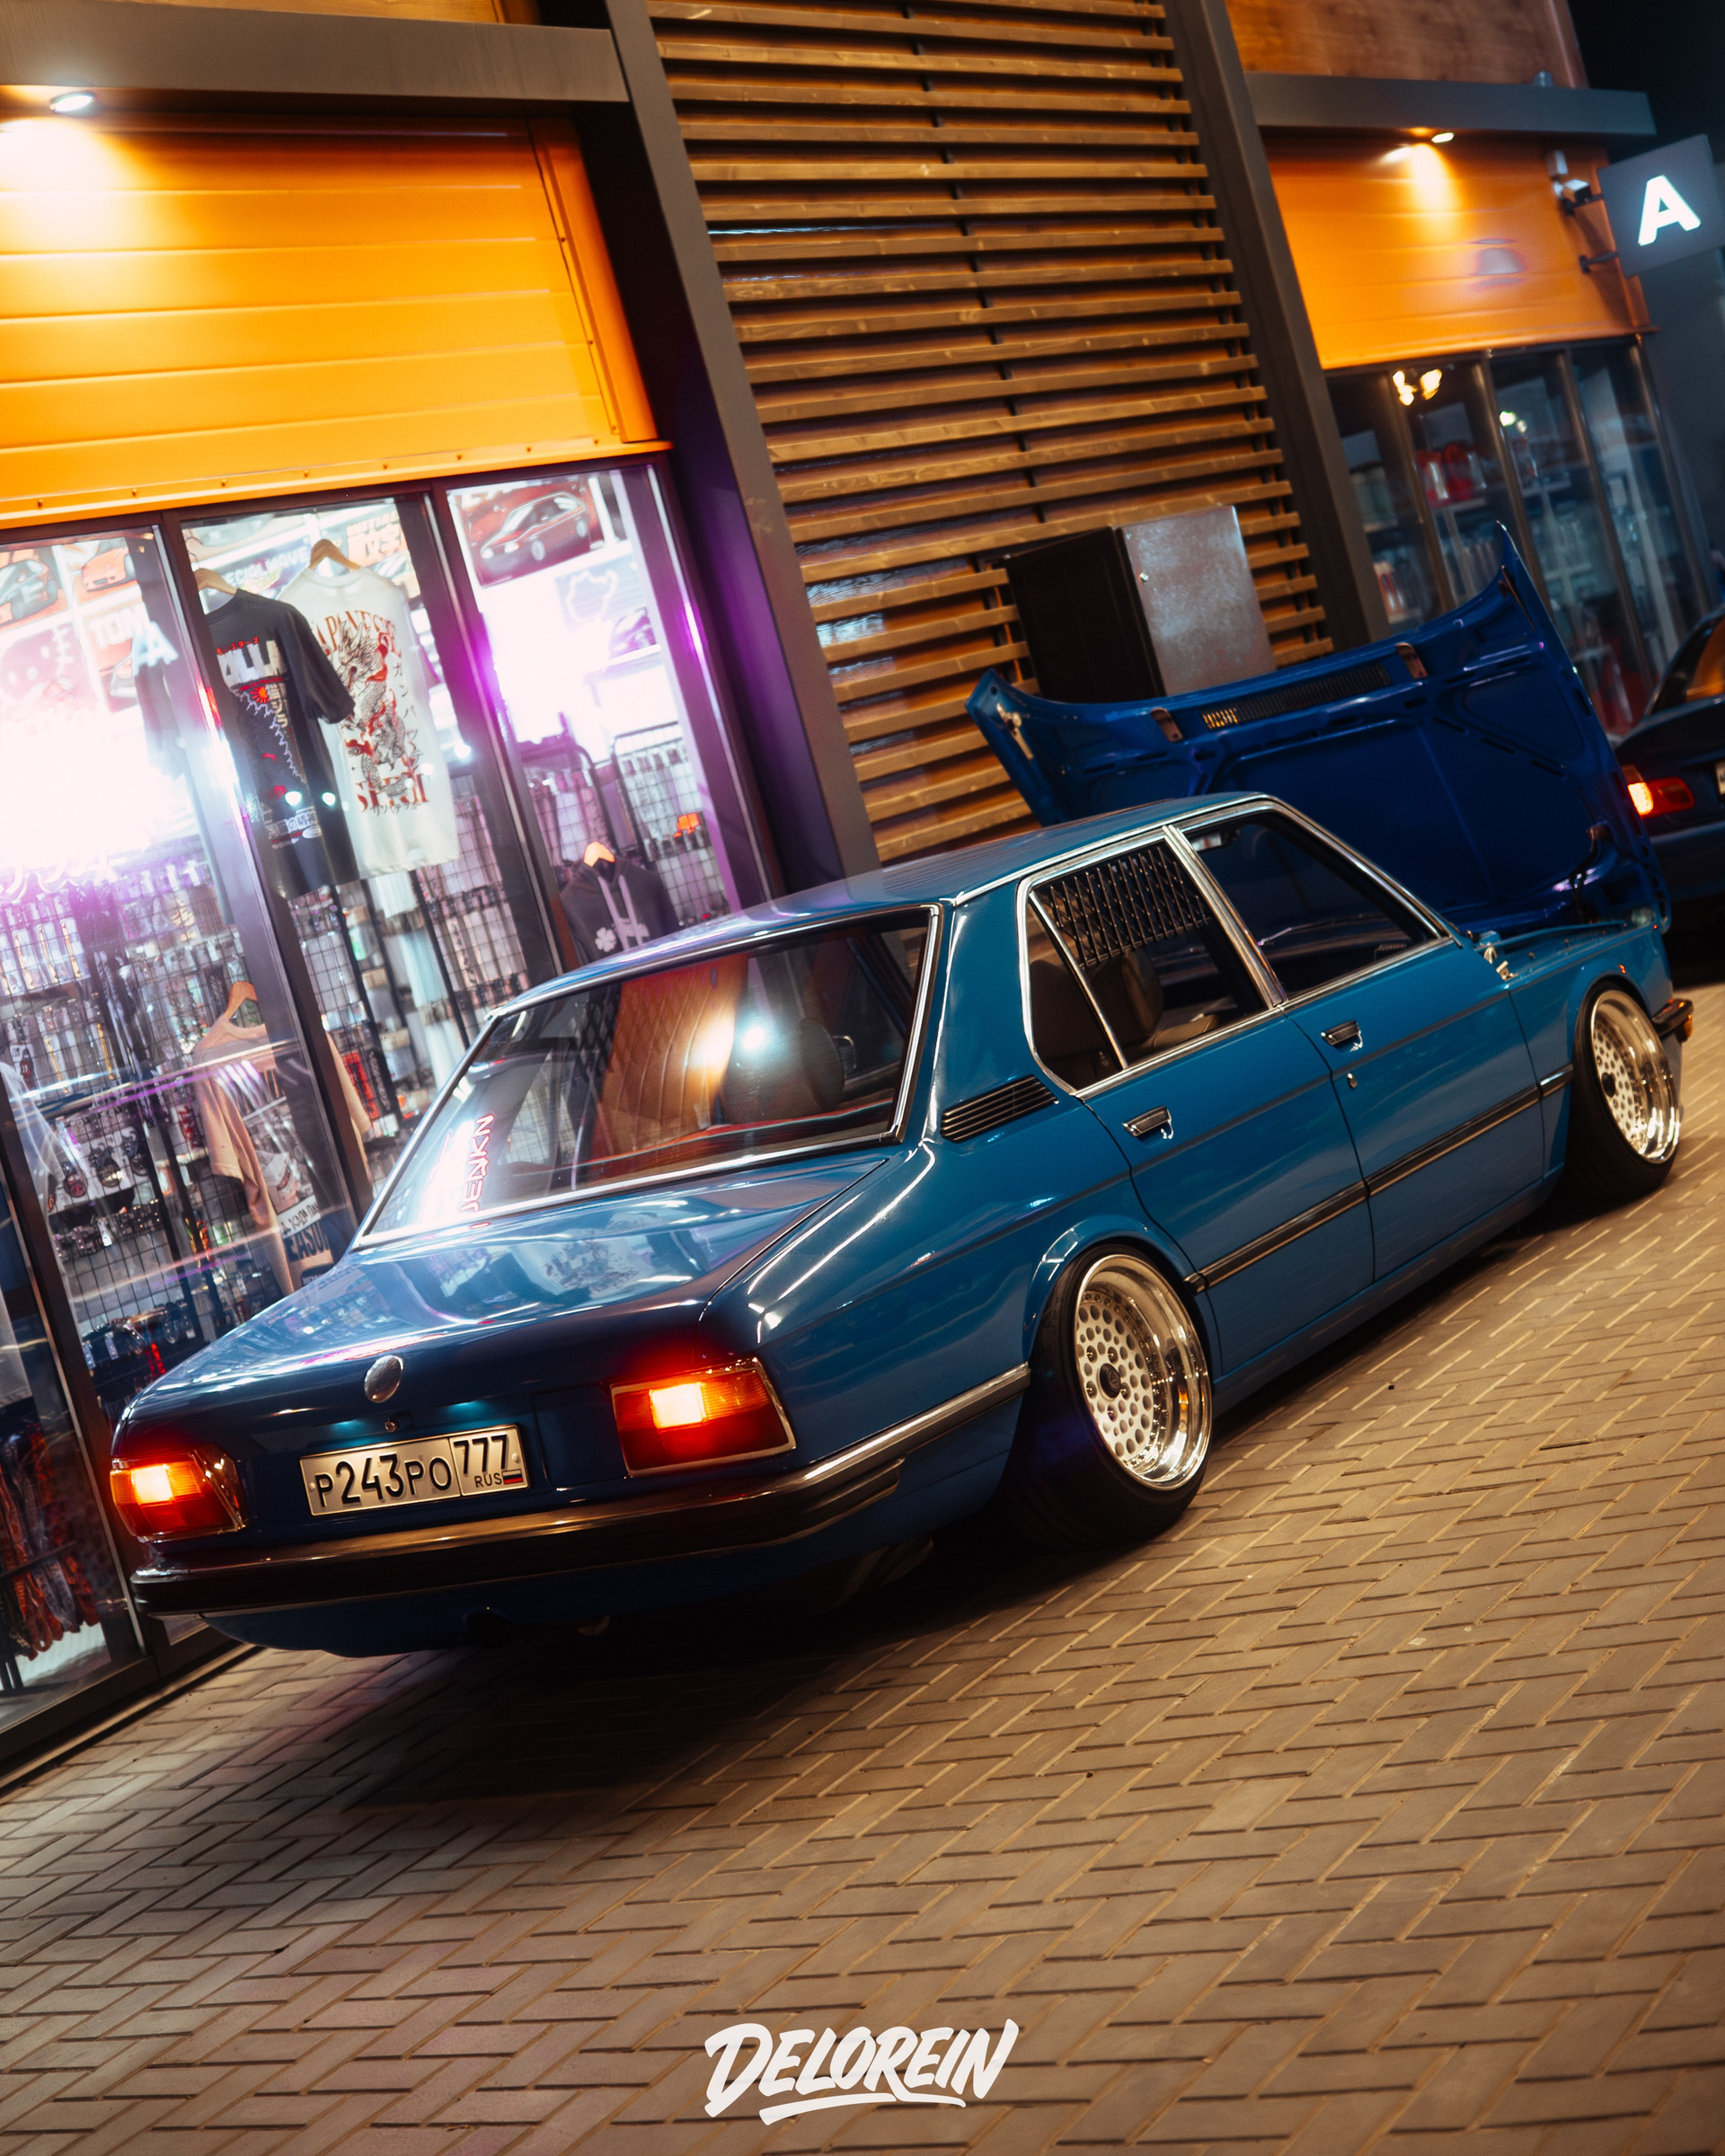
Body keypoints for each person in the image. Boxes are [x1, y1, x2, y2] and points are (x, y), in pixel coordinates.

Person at [558, 840, 678, 967]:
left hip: (660, 973)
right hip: (613, 978)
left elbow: (673, 939)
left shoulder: (648, 883)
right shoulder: (569, 903)